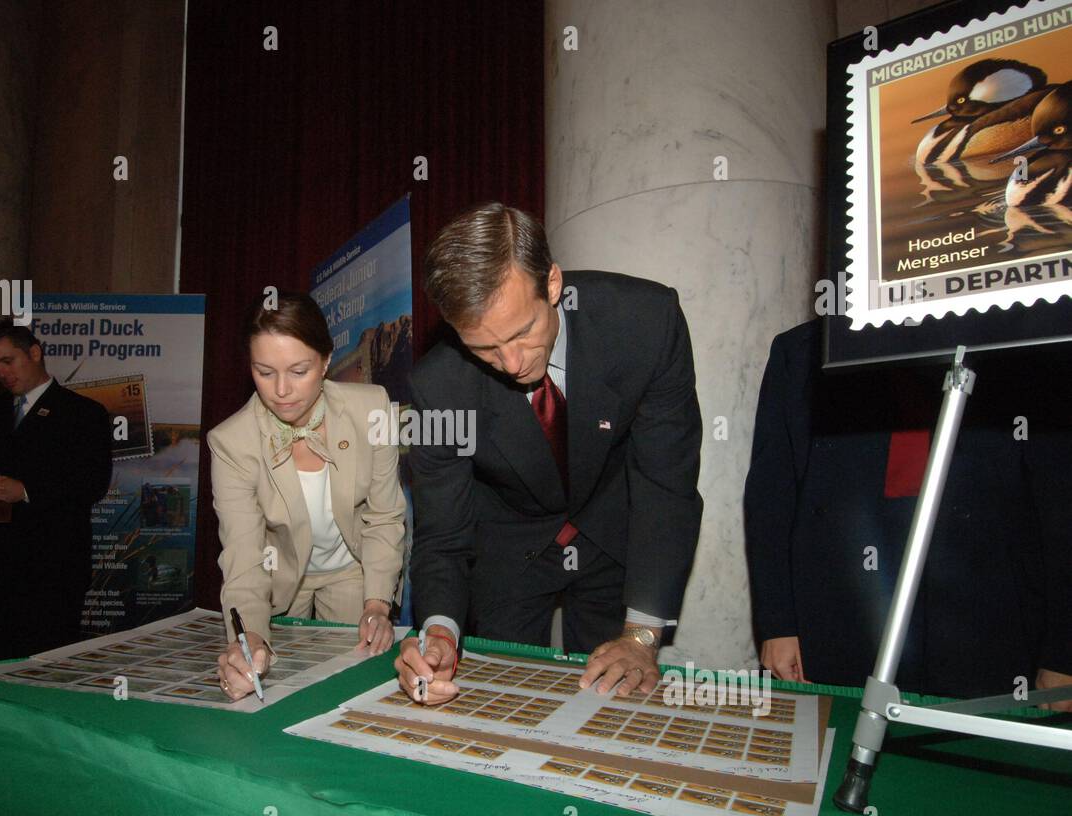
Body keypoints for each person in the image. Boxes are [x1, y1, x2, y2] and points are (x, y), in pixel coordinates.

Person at [397, 202, 703, 705]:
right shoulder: (439, 386)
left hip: (613, 528)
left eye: (522, 332)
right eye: (484, 349)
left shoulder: (644, 324)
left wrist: (643, 636)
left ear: (553, 284)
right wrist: (439, 633)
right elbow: (443, 536)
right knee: (496, 701)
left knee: (615, 697)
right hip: (508, 542)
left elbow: (665, 484)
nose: (512, 363)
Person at [744, 320, 1072, 708]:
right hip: (835, 623)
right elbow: (772, 497)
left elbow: (1062, 505)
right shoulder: (803, 351)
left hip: (992, 630)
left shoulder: (1029, 339)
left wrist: (1061, 654)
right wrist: (779, 624)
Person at [208, 291, 407, 701]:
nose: (282, 391)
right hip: (278, 579)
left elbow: (384, 517)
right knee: (270, 685)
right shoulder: (231, 442)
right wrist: (250, 642)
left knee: (355, 690)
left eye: (299, 370)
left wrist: (377, 605)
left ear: (327, 360)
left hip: (353, 568)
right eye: (265, 372)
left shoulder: (373, 409)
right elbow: (244, 557)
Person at [0, 319, 112, 659]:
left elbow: (92, 482)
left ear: (34, 353)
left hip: (53, 564)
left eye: (7, 361)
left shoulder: (83, 412)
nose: (1, 374)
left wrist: (26, 490)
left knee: (45, 665)